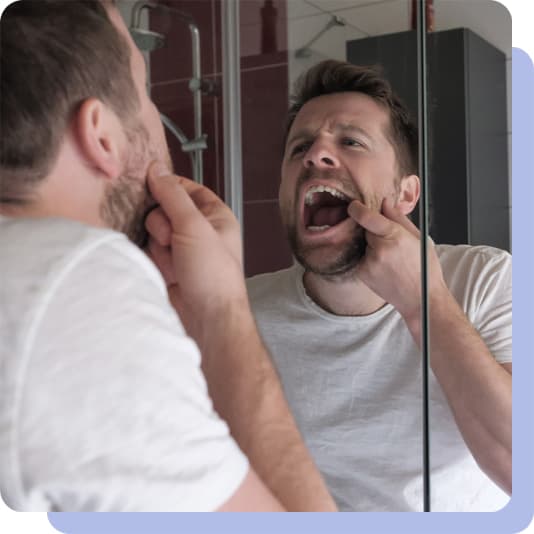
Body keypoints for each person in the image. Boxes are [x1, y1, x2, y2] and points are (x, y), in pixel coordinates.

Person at [0, 0, 337, 512]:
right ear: (101, 135)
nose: (160, 123)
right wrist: (224, 310)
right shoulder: (75, 283)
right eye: (146, 92)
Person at [246, 59, 512, 512]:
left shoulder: (486, 280)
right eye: (299, 149)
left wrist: (422, 303)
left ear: (406, 195)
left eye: (350, 141)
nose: (315, 155)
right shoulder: (243, 310)